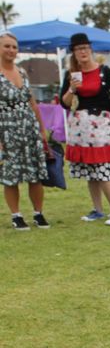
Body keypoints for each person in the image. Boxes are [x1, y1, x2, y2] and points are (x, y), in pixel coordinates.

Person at [60, 33, 110, 225]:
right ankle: (98, 210)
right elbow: (64, 103)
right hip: (80, 126)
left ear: (90, 49)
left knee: (103, 168)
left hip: (101, 124)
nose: (82, 52)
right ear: (73, 52)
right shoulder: (70, 75)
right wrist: (72, 89)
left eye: (85, 47)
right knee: (90, 171)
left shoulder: (104, 72)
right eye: (78, 49)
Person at [0, 31, 50, 230]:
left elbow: (33, 103)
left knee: (35, 173)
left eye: (14, 47)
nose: (11, 50)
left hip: (29, 128)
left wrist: (42, 129)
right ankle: (16, 215)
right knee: (11, 175)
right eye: (7, 46)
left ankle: (38, 213)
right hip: (6, 130)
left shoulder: (22, 72)